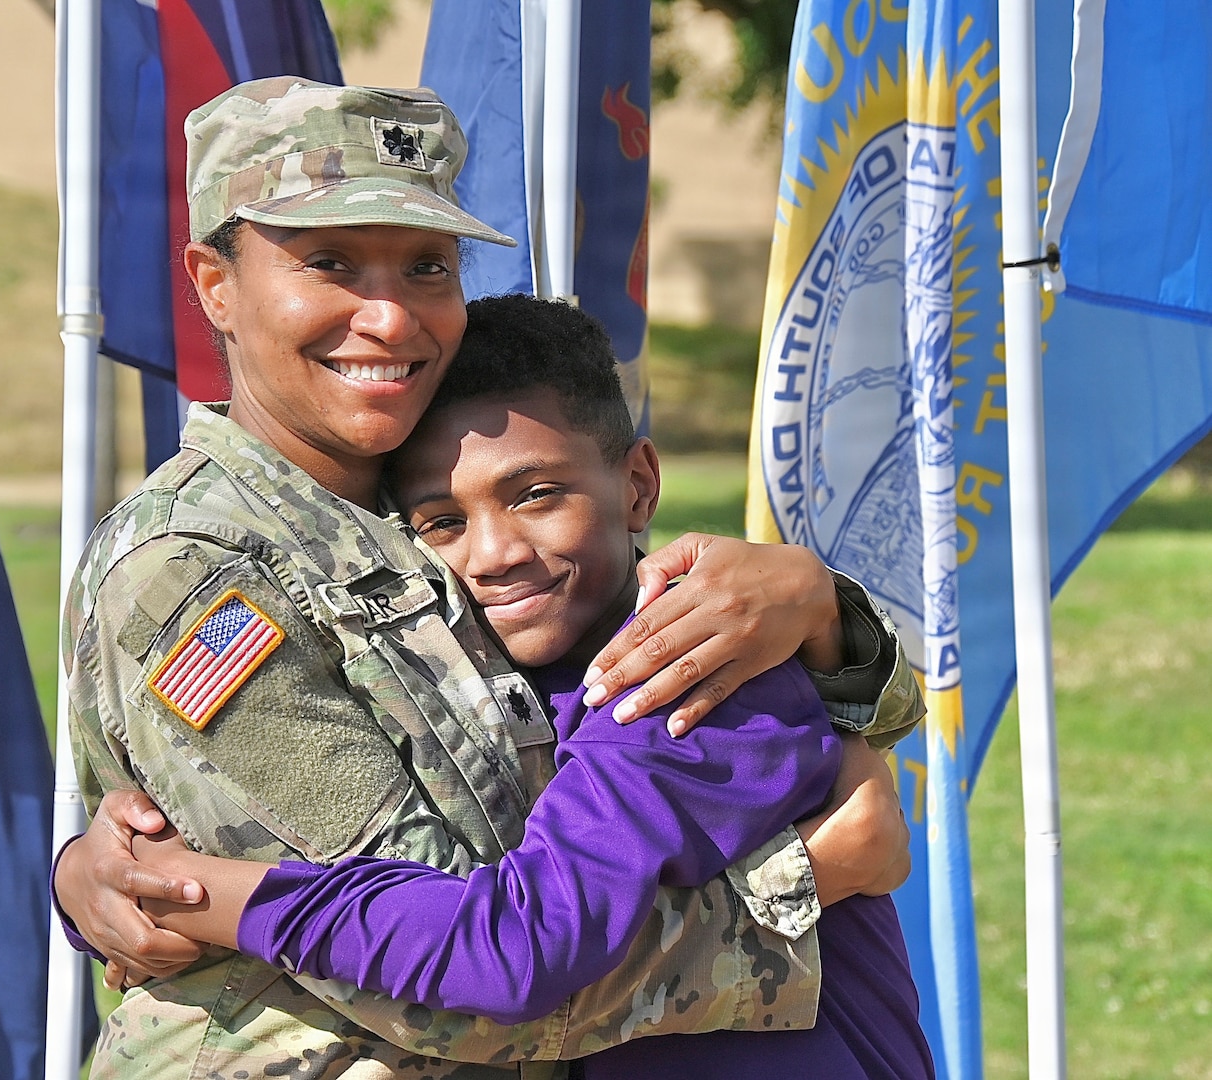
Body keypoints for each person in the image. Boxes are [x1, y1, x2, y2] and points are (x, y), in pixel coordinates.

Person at [55, 76, 924, 1078]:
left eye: (427, 265)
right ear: (214, 284)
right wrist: (798, 895)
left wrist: (814, 610)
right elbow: (464, 976)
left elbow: (628, 678)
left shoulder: (401, 497)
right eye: (330, 262)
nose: (388, 318)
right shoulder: (202, 577)